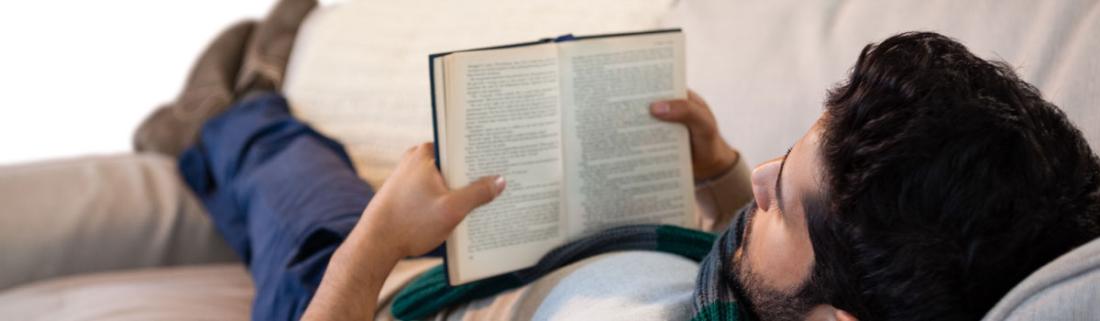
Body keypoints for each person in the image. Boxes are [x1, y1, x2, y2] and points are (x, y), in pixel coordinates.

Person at [131, 0, 1100, 319]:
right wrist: (719, 168)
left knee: (284, 166)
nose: (758, 178)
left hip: (357, 289)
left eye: (777, 200)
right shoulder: (874, 270)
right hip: (516, 263)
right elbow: (741, 249)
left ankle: (222, 103)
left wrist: (378, 241)